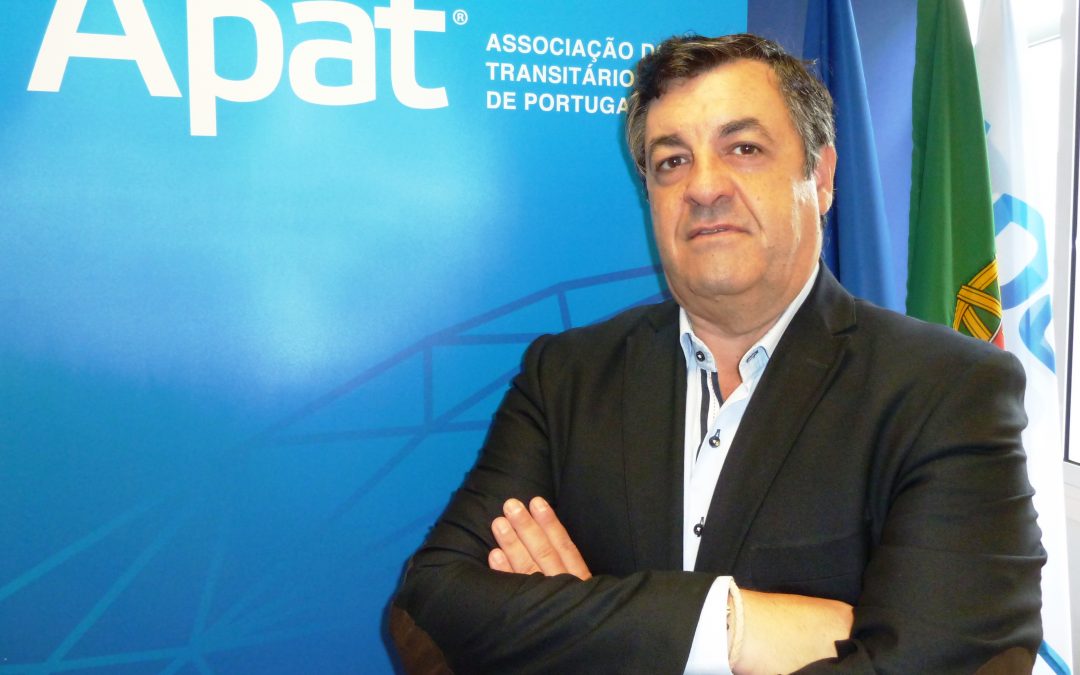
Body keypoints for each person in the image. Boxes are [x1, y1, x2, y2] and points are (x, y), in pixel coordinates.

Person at [389, 33, 1045, 674]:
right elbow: (431, 602)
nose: (704, 187)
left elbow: (952, 657)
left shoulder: (948, 389)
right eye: (672, 161)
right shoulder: (565, 376)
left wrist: (578, 623)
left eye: (744, 148)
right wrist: (729, 625)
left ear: (820, 176)